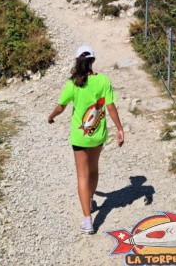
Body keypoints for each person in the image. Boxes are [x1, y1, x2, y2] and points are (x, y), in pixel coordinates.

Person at [47, 45, 125, 234]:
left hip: (80, 138)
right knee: (94, 169)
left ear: (77, 61)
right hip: (97, 135)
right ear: (93, 60)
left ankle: (88, 220)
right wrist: (120, 129)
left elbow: (61, 107)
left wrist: (51, 117)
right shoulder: (103, 80)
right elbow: (111, 107)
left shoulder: (74, 82)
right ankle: (90, 199)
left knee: (82, 175)